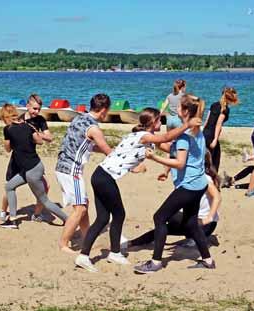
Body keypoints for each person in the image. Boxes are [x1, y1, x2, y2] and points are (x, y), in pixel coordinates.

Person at [74, 107, 201, 273]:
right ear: (152, 123)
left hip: (99, 175)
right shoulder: (143, 136)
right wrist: (187, 125)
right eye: (159, 121)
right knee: (118, 215)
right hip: (104, 178)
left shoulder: (142, 137)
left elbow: (170, 147)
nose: (161, 123)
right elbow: (166, 137)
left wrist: (195, 149)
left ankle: (100, 254)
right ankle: (104, 253)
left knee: (103, 218)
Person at [134, 94, 216, 274]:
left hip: (189, 186)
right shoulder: (195, 131)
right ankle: (208, 260)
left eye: (179, 106)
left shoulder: (185, 135)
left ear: (185, 111)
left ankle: (156, 262)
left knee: (159, 218)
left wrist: (154, 158)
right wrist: (152, 139)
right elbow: (172, 147)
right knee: (191, 223)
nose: (176, 108)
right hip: (199, 184)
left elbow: (179, 162)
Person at [126, 150, 222, 249]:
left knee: (169, 216)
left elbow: (217, 197)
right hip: (194, 222)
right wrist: (165, 172)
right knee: (164, 226)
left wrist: (209, 218)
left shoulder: (203, 178)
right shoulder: (192, 176)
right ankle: (132, 243)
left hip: (205, 225)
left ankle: (195, 240)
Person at [55, 94, 113, 253]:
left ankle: (87, 236)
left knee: (83, 204)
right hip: (71, 170)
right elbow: (108, 152)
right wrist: (133, 166)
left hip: (62, 166)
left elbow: (87, 145)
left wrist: (105, 150)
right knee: (80, 208)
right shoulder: (94, 128)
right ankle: (63, 244)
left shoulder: (79, 118)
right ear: (103, 111)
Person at [0, 96, 67, 224]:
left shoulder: (38, 121)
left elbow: (47, 139)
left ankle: (42, 215)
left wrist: (34, 133)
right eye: (34, 108)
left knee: (44, 194)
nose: (36, 111)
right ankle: (6, 213)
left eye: (39, 109)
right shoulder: (20, 120)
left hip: (31, 164)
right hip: (19, 161)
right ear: (27, 107)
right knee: (9, 186)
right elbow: (10, 146)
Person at [203, 86, 239, 172]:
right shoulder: (225, 109)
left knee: (206, 158)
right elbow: (218, 125)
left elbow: (207, 121)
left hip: (205, 133)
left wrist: (201, 133)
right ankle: (211, 180)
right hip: (212, 135)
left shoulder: (214, 104)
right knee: (213, 160)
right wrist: (215, 139)